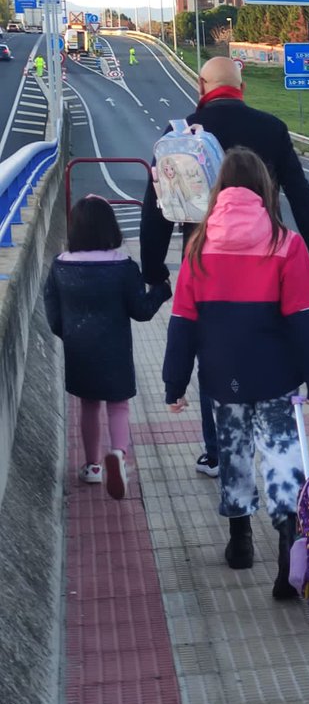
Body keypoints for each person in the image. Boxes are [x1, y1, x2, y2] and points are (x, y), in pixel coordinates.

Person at [140, 56, 309, 480]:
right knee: (271, 342)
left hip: (204, 261)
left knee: (214, 354)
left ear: (201, 85)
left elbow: (155, 209)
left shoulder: (180, 135)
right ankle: (278, 453)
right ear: (241, 87)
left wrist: (154, 271)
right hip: (270, 258)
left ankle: (219, 453)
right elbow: (302, 197)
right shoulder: (271, 128)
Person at [163, 147, 309, 600]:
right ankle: (287, 553)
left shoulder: (198, 245)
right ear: (264, 188)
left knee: (233, 454)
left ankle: (239, 543)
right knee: (282, 457)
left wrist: (173, 384)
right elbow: (305, 315)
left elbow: (183, 321)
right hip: (276, 374)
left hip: (221, 374)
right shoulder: (286, 243)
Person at [43, 196, 171, 500]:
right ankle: (118, 455)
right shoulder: (124, 267)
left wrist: (70, 333)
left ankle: (92, 467)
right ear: (109, 228)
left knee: (88, 405)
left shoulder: (60, 266)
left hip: (79, 351)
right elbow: (141, 310)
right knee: (118, 405)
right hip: (115, 351)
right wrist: (161, 292)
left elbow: (53, 313)